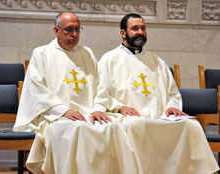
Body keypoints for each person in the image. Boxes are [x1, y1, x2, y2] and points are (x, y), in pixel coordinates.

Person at [13, 12, 138, 174]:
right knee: (78, 129)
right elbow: (37, 89)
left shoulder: (87, 53)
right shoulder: (42, 53)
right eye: (69, 30)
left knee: (111, 127)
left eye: (78, 30)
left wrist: (98, 108)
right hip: (55, 116)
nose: (74, 34)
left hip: (88, 112)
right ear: (56, 30)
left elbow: (101, 85)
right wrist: (63, 111)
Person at [94, 13, 220, 174]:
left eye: (143, 28)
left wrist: (171, 107)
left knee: (191, 125)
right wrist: (119, 107)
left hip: (159, 115)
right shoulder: (109, 59)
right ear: (123, 33)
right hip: (129, 117)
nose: (140, 32)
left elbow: (172, 92)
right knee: (135, 125)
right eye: (135, 28)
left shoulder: (156, 61)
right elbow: (101, 92)